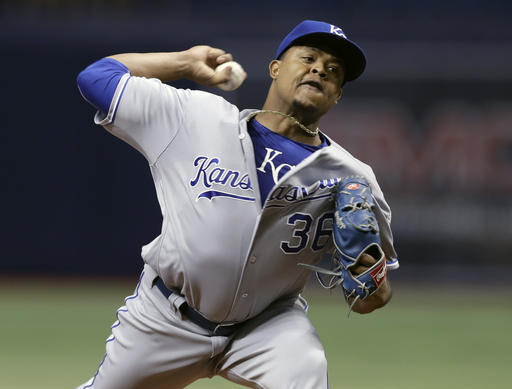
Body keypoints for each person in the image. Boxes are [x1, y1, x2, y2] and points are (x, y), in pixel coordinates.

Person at [75, 19, 399, 389]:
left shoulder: (352, 177)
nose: (319, 69)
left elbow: (370, 300)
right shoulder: (194, 117)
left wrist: (369, 278)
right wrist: (182, 63)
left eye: (333, 70)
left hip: (268, 328)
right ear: (275, 68)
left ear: (337, 94)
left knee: (307, 371)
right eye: (308, 57)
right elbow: (96, 77)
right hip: (165, 317)